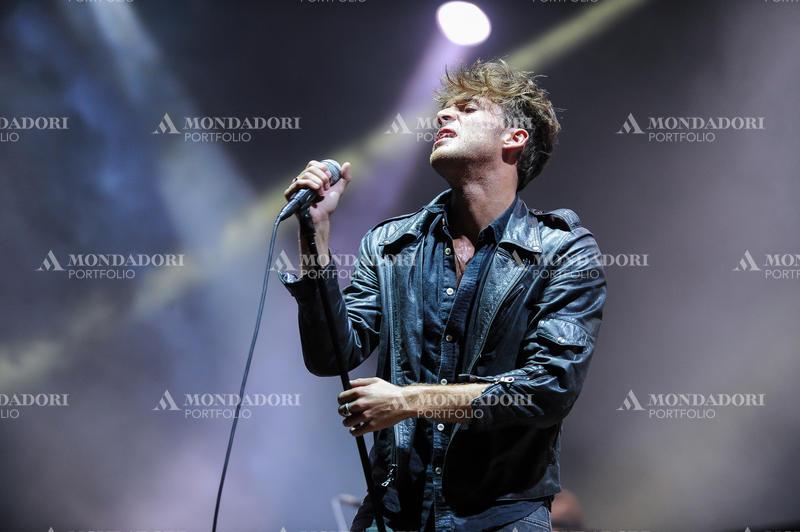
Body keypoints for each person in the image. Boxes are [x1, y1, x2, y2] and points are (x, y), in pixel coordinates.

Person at [280, 59, 606, 532]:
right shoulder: (391, 244)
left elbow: (549, 387)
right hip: (394, 513)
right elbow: (332, 355)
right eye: (444, 109)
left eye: (467, 109)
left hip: (501, 517)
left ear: (514, 138)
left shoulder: (562, 250)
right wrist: (315, 234)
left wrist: (409, 401)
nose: (442, 116)